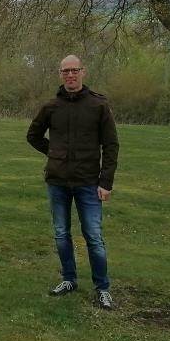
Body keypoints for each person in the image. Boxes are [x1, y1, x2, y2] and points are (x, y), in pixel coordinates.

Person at [26, 54, 119, 309]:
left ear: (83, 72)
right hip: (57, 182)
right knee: (61, 234)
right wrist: (54, 153)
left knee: (94, 236)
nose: (70, 75)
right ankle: (69, 279)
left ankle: (102, 288)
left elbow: (111, 146)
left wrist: (106, 182)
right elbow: (33, 135)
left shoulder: (98, 105)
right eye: (65, 71)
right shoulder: (51, 106)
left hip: (89, 182)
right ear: (60, 74)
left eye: (74, 70)